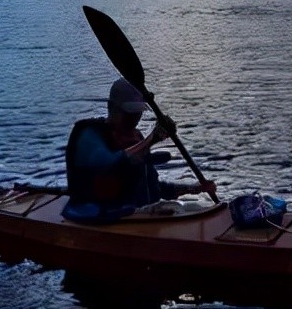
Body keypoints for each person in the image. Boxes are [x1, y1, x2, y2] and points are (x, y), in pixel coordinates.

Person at [63, 77, 214, 221]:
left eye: (138, 112)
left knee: (196, 207)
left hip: (140, 217)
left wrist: (193, 189)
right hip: (97, 215)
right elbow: (110, 164)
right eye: (129, 112)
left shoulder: (135, 138)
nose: (134, 118)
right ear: (111, 106)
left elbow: (153, 187)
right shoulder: (89, 135)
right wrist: (151, 140)